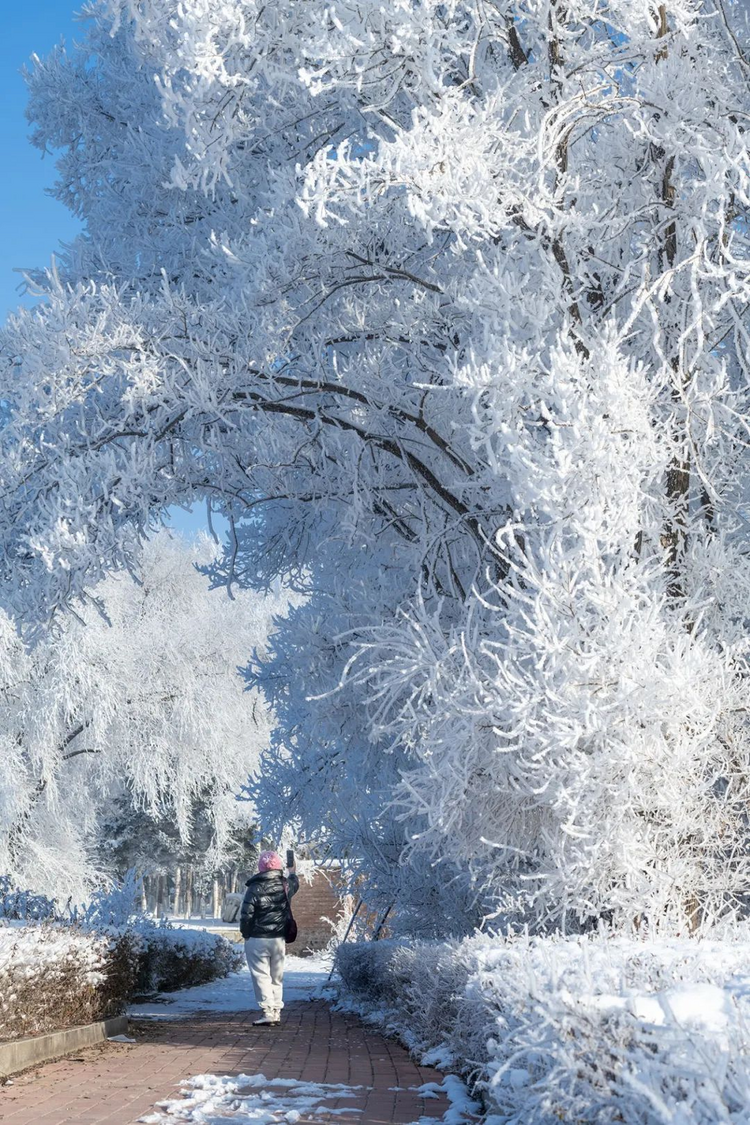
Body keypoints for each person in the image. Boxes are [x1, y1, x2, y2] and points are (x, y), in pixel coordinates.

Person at [239, 850, 299, 1026]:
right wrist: (293, 871)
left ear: (260, 868)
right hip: (278, 939)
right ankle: (277, 1011)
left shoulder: (254, 888)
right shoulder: (285, 885)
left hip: (258, 938)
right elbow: (295, 883)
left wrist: (246, 934)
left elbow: (246, 915)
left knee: (261, 976)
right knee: (276, 976)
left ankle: (268, 1011)